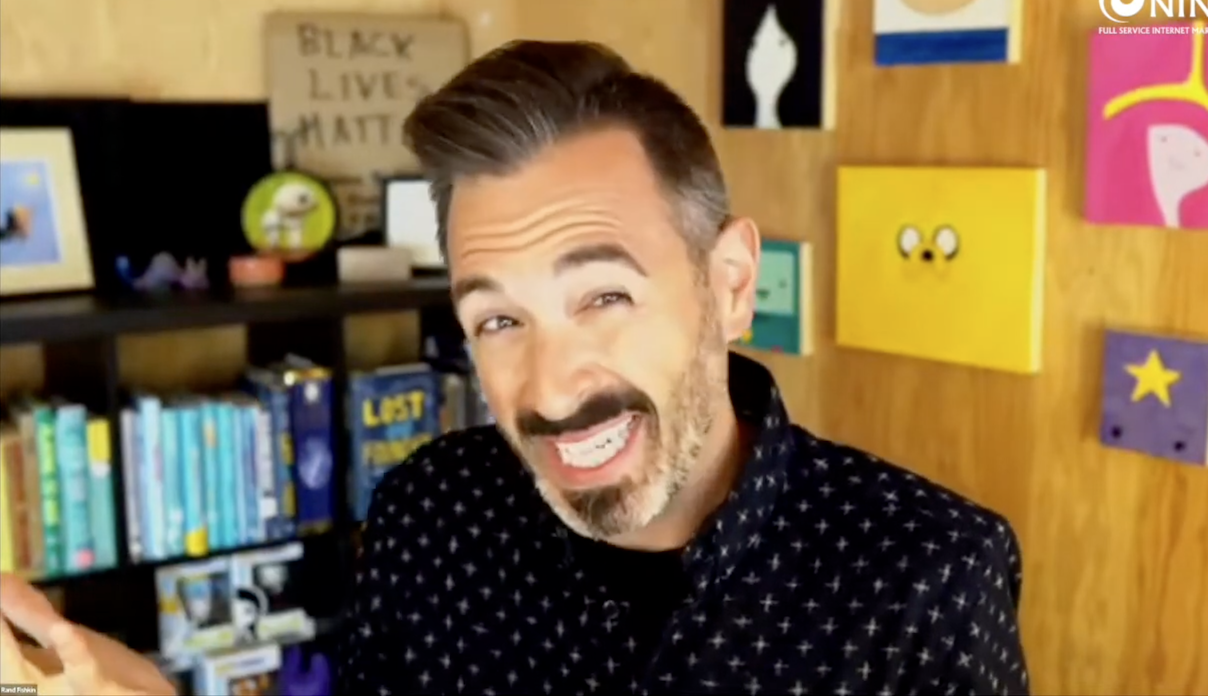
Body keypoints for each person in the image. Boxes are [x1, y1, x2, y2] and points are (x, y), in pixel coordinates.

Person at [0, 40, 1031, 696]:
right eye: (498, 319)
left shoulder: (927, 575)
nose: (549, 388)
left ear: (727, 284)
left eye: (603, 297)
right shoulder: (429, 514)